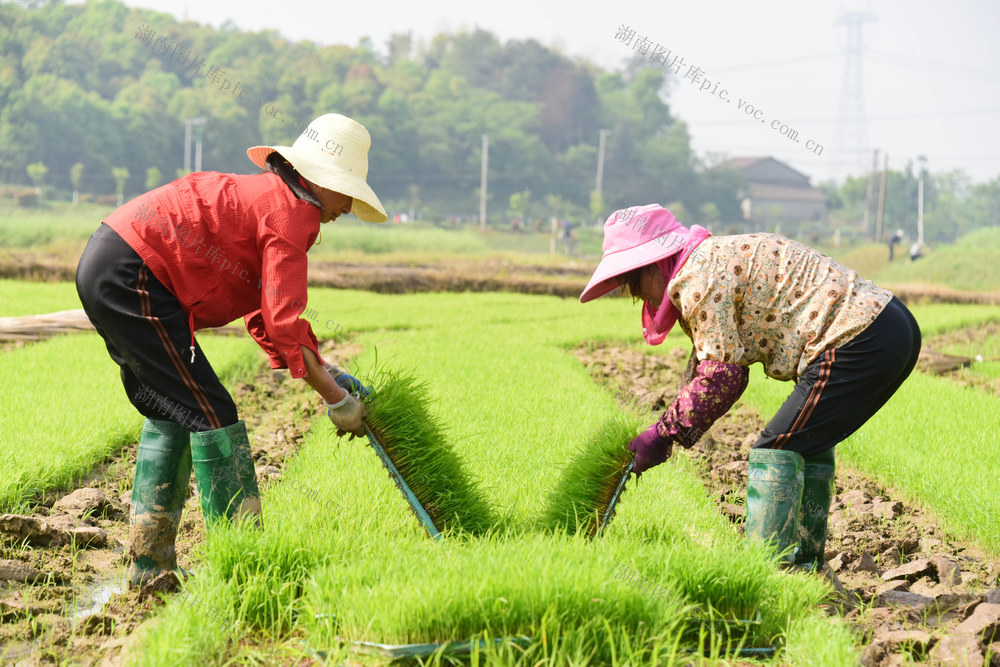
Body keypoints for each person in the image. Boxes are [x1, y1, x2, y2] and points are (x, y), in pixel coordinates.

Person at [75, 113, 386, 588]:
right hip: (134, 272)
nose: (346, 207)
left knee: (177, 408)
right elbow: (284, 322)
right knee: (213, 413)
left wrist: (326, 369)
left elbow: (264, 314)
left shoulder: (274, 197)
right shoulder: (291, 213)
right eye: (347, 192)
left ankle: (149, 568)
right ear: (321, 179)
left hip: (113, 261)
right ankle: (242, 572)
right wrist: (336, 400)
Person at [580, 204, 920, 576]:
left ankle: (763, 573)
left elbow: (723, 377)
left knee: (776, 447)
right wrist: (673, 423)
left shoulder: (696, 277)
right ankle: (803, 568)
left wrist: (663, 434)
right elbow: (713, 363)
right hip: (889, 325)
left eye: (636, 284)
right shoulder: (709, 259)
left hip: (858, 336)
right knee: (805, 444)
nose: (642, 299)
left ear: (655, 264)